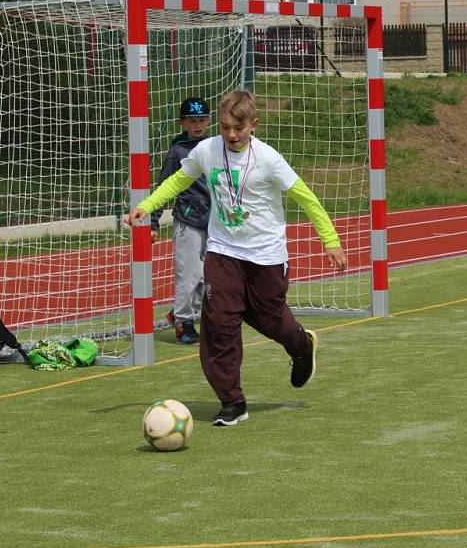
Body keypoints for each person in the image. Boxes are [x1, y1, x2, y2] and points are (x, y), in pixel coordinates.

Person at [124, 89, 347, 426]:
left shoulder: (269, 159)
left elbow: (308, 199)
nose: (231, 135)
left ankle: (301, 345)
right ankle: (232, 401)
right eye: (225, 127)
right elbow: (178, 180)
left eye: (238, 128)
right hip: (223, 250)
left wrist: (331, 241)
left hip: (266, 254)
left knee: (269, 319)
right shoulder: (206, 150)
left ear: (253, 125)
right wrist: (147, 206)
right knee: (220, 322)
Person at [151, 97, 213, 344]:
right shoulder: (178, 151)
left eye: (201, 120)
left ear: (209, 121)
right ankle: (184, 324)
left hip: (215, 223)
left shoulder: (213, 147)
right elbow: (165, 186)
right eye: (192, 121)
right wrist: (153, 222)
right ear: (182, 123)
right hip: (188, 221)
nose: (197, 125)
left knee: (212, 277)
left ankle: (180, 312)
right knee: (190, 276)